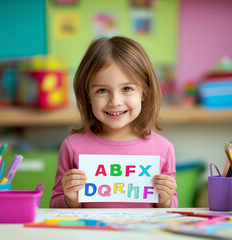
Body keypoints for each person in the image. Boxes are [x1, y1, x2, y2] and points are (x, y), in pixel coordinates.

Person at [50, 36, 178, 208]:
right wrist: (71, 199)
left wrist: (165, 200)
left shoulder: (163, 148)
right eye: (102, 90)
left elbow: (171, 207)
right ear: (88, 95)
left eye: (127, 89)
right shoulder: (72, 147)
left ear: (144, 92)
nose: (115, 101)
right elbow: (55, 205)